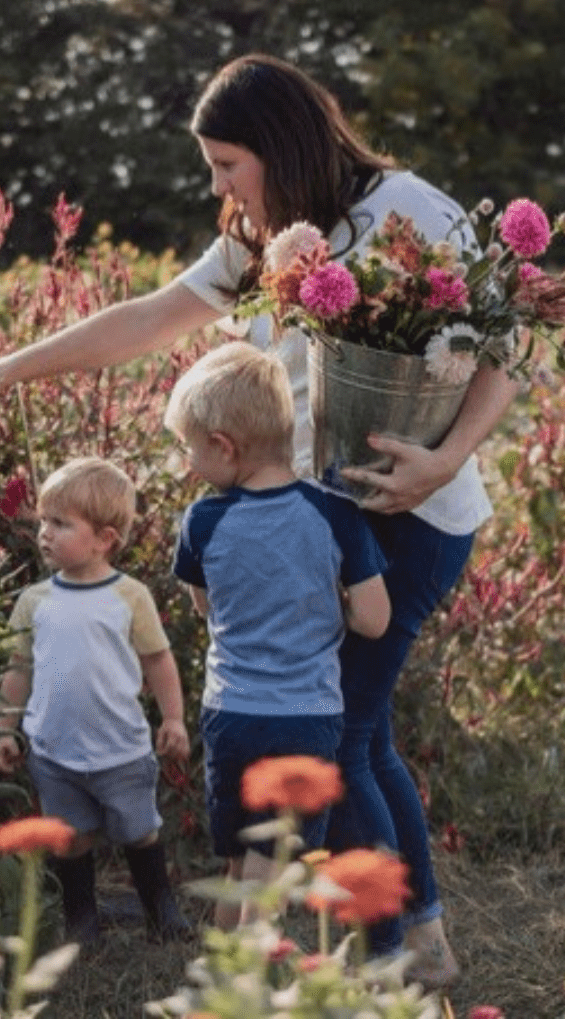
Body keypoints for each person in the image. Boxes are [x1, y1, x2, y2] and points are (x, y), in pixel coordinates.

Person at [0, 52, 520, 985]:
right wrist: (2, 371)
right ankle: (420, 939)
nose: (217, 185)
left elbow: (507, 341)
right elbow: (143, 317)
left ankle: (395, 954)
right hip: (331, 520)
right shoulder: (264, 244)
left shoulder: (406, 209)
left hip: (416, 514)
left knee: (343, 737)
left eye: (226, 164)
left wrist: (447, 458)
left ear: (280, 147)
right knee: (361, 734)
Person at [164, 342, 390, 926]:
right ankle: (250, 983)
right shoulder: (336, 513)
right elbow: (374, 619)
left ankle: (222, 975)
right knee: (275, 864)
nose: (187, 461)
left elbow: (205, 606)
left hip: (230, 713)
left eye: (188, 447)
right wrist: (326, 602)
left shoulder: (202, 521)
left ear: (223, 446)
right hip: (305, 715)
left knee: (242, 857)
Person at [0, 456, 192, 945]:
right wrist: (4, 726)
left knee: (137, 830)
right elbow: (19, 669)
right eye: (43, 521)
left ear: (105, 539)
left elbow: (159, 661)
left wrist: (174, 718)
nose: (45, 533)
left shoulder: (129, 597)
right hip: (54, 752)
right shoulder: (35, 601)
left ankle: (161, 909)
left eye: (60, 523)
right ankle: (81, 920)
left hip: (120, 750)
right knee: (71, 837)